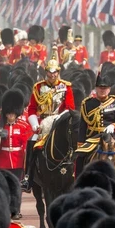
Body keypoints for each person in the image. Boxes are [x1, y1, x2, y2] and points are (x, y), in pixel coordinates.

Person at [21, 55, 75, 191]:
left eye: (55, 72)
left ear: (58, 72)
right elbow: (32, 108)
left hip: (60, 121)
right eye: (50, 72)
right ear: (46, 72)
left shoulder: (66, 87)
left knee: (72, 142)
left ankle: (74, 173)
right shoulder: (38, 87)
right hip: (43, 124)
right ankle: (28, 177)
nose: (52, 75)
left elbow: (70, 107)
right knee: (31, 142)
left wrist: (58, 120)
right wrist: (34, 124)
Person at [76, 72, 115, 177]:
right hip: (93, 138)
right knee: (80, 157)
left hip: (112, 137)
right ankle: (78, 183)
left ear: (109, 89)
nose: (102, 90)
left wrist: (114, 126)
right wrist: (80, 143)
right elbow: (83, 126)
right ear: (96, 89)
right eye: (100, 87)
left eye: (105, 88)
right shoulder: (87, 103)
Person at [0, 89, 32, 179]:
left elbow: (25, 143)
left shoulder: (23, 126)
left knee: (17, 182)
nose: (11, 115)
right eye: (9, 113)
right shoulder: (0, 126)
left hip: (18, 160)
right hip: (4, 159)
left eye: (13, 113)